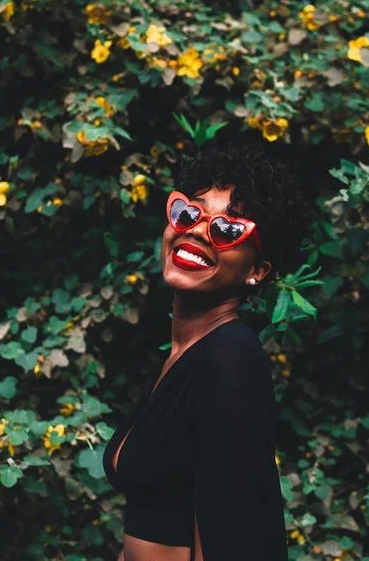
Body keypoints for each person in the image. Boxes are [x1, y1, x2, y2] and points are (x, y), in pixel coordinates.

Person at [102, 143, 312, 560]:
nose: (197, 230)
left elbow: (230, 539)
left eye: (228, 229)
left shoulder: (229, 358)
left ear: (257, 271)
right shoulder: (186, 353)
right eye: (188, 212)